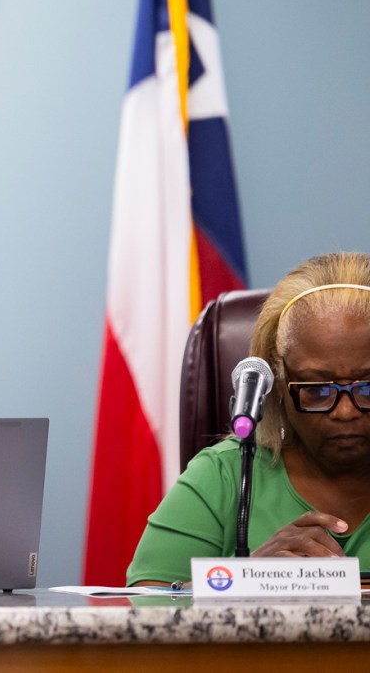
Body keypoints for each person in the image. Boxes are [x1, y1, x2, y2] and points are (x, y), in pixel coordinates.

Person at [128, 251, 370, 585]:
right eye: (317, 389)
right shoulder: (224, 475)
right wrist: (247, 577)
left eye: (368, 388)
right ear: (278, 382)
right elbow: (145, 604)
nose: (346, 411)